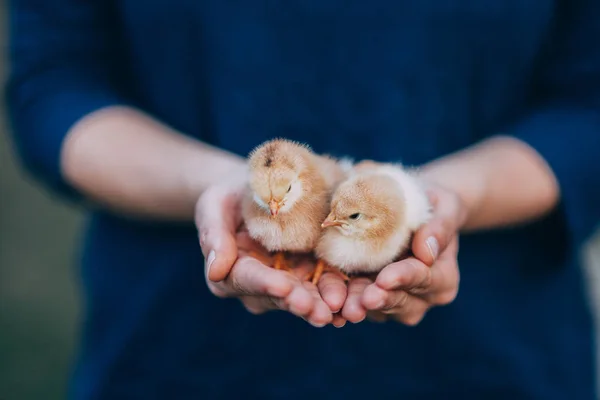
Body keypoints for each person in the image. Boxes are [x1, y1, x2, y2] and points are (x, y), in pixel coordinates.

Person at [6, 0, 600, 399]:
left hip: (493, 359)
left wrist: (457, 197)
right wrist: (213, 187)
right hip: (175, 356)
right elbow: (56, 84)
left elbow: (588, 101)